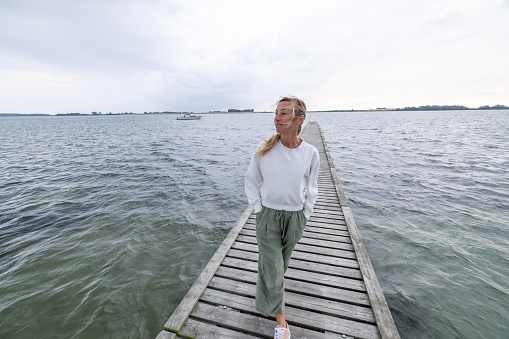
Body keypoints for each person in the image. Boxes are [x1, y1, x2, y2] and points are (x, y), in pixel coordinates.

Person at [245, 96, 320, 339]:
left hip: (295, 218)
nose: (277, 117)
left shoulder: (310, 153)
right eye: (277, 112)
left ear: (300, 119)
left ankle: (267, 300)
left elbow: (313, 187)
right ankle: (282, 325)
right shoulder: (265, 148)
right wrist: (258, 209)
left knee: (279, 265)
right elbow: (251, 180)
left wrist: (305, 214)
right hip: (267, 216)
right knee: (274, 269)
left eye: (284, 113)